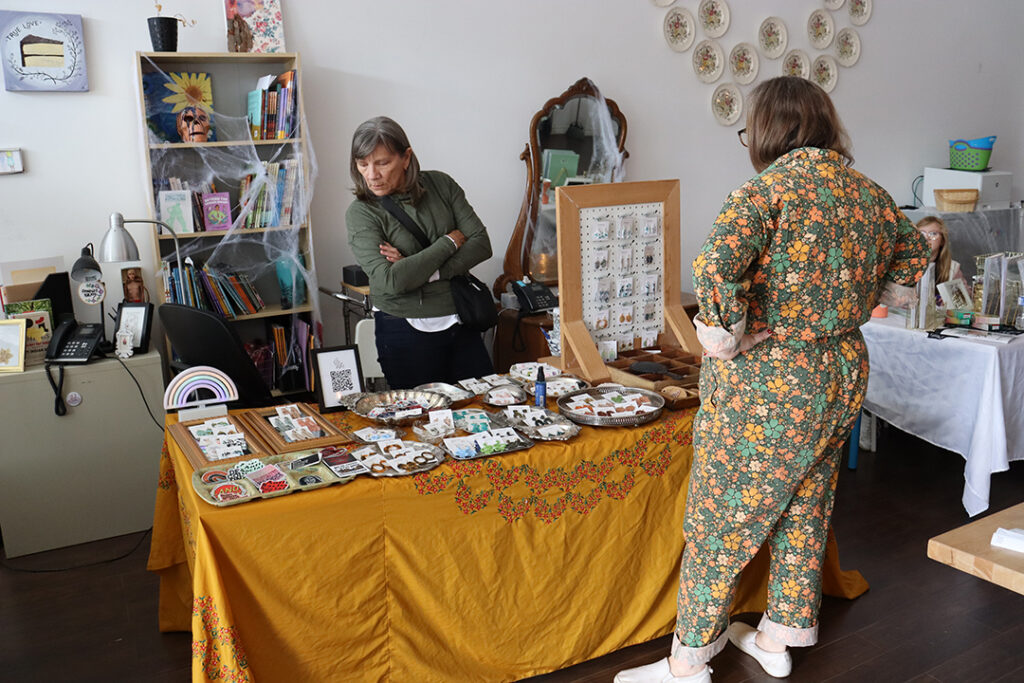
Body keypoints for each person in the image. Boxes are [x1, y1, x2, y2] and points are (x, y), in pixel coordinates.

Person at [615, 77, 930, 683]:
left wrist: (728, 336)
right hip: (841, 370)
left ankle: (687, 664)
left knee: (719, 512)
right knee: (806, 503)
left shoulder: (767, 192)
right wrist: (863, 297)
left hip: (774, 378)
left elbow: (712, 268)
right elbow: (916, 252)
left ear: (766, 132)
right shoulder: (869, 194)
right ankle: (777, 638)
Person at [345, 116, 494, 389]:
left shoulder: (441, 185)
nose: (371, 175)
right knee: (420, 421)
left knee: (482, 412)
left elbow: (482, 243)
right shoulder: (362, 213)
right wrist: (448, 242)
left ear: (406, 158)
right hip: (402, 327)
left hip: (461, 318)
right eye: (362, 164)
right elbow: (391, 281)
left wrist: (427, 271)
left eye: (382, 162)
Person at [915, 215, 968, 306]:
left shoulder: (952, 268)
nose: (927, 238)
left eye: (933, 234)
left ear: (942, 240)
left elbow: (962, 303)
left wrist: (952, 301)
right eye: (922, 234)